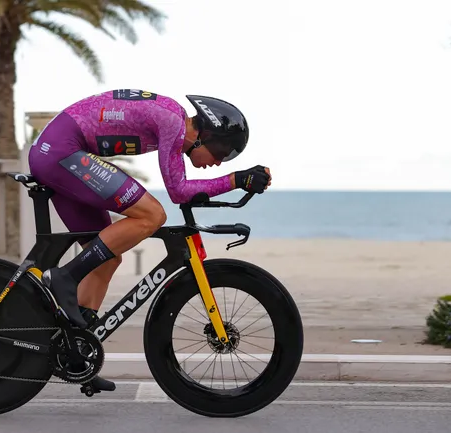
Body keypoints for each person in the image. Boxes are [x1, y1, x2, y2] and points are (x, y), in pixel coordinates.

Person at [28, 89, 271, 392]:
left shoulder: (173, 122)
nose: (219, 163)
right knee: (152, 215)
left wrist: (234, 180)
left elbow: (181, 185)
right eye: (222, 153)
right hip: (61, 152)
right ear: (207, 136)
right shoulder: (173, 122)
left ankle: (77, 354)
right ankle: (64, 277)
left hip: (57, 152)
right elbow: (178, 191)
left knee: (107, 257)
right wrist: (235, 180)